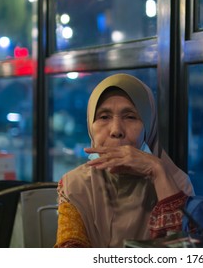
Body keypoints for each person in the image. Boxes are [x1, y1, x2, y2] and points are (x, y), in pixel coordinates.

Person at [54, 73, 194, 248]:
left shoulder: (176, 182)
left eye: (130, 117)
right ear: (91, 125)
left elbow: (183, 252)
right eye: (104, 117)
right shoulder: (75, 185)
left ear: (148, 127)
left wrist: (157, 170)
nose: (116, 130)